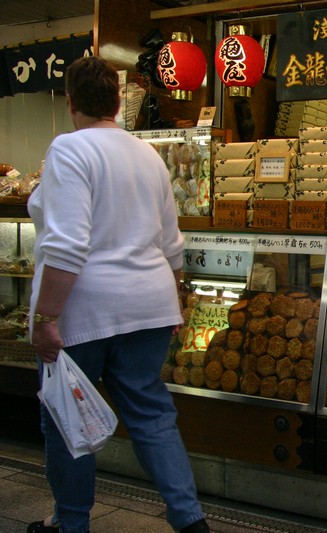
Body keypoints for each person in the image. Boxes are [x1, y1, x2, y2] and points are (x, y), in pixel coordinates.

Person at [27, 57, 208, 533]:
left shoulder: (69, 150)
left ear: (70, 103)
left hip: (85, 312)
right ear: (116, 103)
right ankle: (190, 521)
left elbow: (67, 244)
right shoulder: (146, 154)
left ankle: (70, 524)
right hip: (149, 304)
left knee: (69, 421)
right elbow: (171, 242)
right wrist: (174, 301)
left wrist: (46, 317)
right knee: (151, 416)